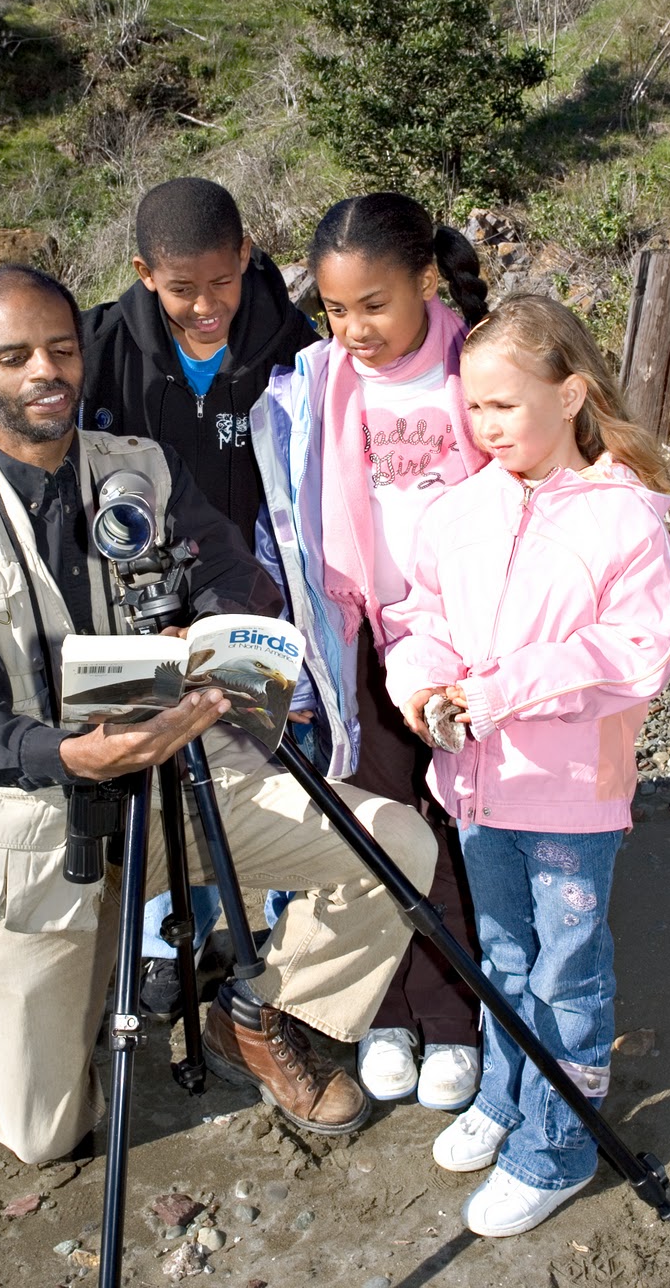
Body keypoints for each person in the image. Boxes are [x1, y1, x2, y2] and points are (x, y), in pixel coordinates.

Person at [0, 264, 438, 1166]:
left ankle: (252, 1015)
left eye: (61, 349)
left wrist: (215, 629)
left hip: (183, 775)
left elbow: (236, 576)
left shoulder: (143, 468)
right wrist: (77, 755)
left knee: (396, 849)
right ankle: (63, 968)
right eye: (13, 356)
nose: (44, 373)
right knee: (41, 1136)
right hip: (42, 822)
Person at [383, 294, 670, 1237]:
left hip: (569, 796)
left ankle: (555, 1144)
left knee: (566, 970)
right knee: (504, 956)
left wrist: (504, 688)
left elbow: (640, 648)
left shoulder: (621, 520)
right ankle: (510, 1093)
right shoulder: (459, 511)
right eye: (472, 408)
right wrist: (423, 684)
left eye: (504, 407)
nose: (485, 428)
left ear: (571, 395)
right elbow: (420, 618)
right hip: (478, 787)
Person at [252, 193, 488, 1116]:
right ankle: (390, 1011)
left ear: (425, 282)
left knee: (466, 829)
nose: (354, 329)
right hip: (354, 640)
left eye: (374, 305)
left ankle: (461, 1014)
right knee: (381, 827)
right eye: (336, 310)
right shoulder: (313, 384)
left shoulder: (477, 365)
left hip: (465, 645)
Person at [81, 177, 319, 1020]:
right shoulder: (97, 349)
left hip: (256, 589)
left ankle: (293, 935)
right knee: (155, 761)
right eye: (183, 289)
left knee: (273, 753)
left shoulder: (293, 339)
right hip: (136, 604)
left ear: (245, 257)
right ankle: (164, 936)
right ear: (145, 273)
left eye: (221, 281)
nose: (206, 305)